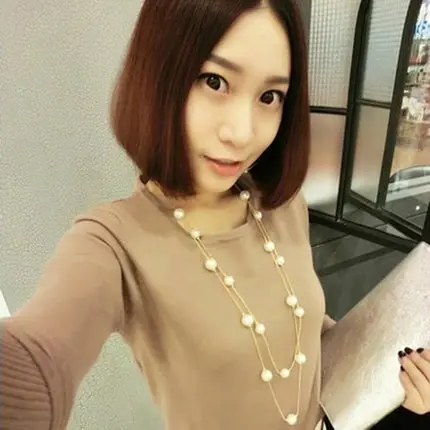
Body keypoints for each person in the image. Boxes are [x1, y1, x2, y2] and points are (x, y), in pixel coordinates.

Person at [1, 1, 430, 429]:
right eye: (215, 81)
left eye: (269, 96)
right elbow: (40, 354)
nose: (242, 133)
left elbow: (303, 325)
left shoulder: (283, 205)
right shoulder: (112, 245)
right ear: (158, 76)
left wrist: (389, 370)